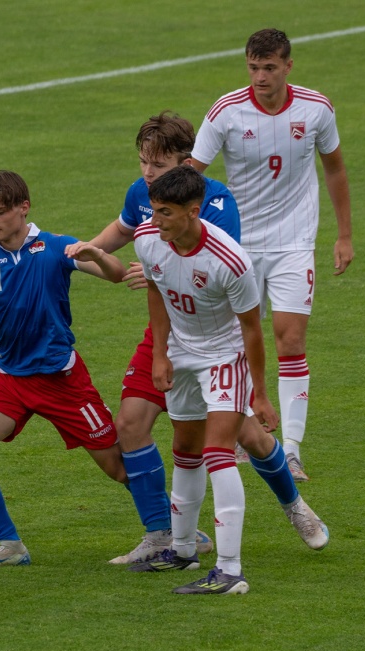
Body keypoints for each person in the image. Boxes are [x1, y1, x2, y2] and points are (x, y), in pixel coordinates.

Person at [0, 169, 166, 568]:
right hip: (9, 378)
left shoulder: (54, 248)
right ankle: (11, 547)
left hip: (62, 381)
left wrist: (97, 253)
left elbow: (116, 275)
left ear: (23, 208)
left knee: (118, 467)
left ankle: (173, 531)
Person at [130, 165, 328, 595]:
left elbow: (253, 329)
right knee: (184, 447)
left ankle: (230, 571)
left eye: (165, 212)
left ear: (193, 211)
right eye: (154, 210)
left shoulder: (230, 261)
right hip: (181, 353)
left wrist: (259, 392)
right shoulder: (148, 239)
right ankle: (182, 550)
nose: (155, 220)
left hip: (224, 355)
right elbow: (155, 290)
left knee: (217, 450)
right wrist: (161, 354)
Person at [190, 28, 354, 482]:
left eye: (268, 68)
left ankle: (293, 450)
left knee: (289, 340)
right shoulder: (225, 112)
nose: (260, 77)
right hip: (237, 245)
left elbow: (335, 168)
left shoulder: (316, 109)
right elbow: (189, 176)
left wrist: (343, 236)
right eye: (253, 67)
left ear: (287, 66)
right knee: (240, 340)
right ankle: (249, 438)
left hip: (293, 242)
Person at [88, 111, 240, 564]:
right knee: (131, 425)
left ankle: (293, 506)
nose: (148, 174)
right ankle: (165, 535)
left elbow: (211, 269)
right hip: (165, 333)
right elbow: (120, 232)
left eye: (157, 164)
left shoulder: (216, 202)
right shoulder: (141, 195)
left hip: (214, 341)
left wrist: (155, 269)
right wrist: (77, 253)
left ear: (186, 161)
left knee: (245, 440)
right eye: (142, 163)